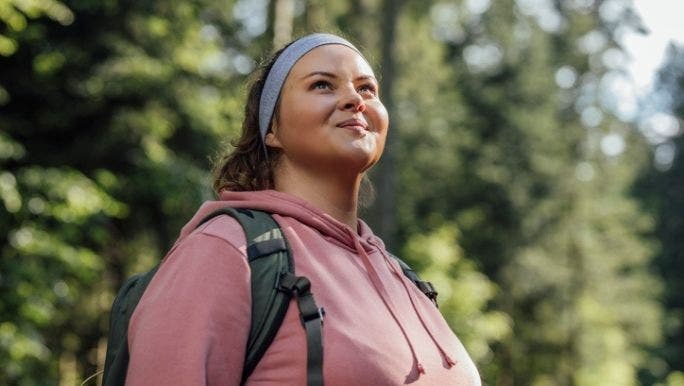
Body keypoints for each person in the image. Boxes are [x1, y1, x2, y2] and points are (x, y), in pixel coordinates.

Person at [125, 33, 481, 385]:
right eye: (323, 85)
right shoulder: (225, 250)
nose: (354, 100)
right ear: (271, 129)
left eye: (366, 89)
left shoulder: (404, 278)